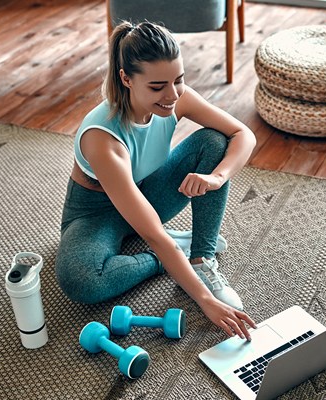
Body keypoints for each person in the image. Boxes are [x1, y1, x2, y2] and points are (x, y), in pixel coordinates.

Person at [55, 21, 257, 339]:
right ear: (126, 79)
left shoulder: (176, 98)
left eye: (179, 80)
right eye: (157, 86)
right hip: (95, 212)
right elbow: (152, 233)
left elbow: (242, 134)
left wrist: (217, 177)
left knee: (214, 142)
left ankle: (201, 256)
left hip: (148, 190)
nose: (172, 94)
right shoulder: (102, 138)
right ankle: (170, 256)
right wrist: (205, 302)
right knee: (82, 280)